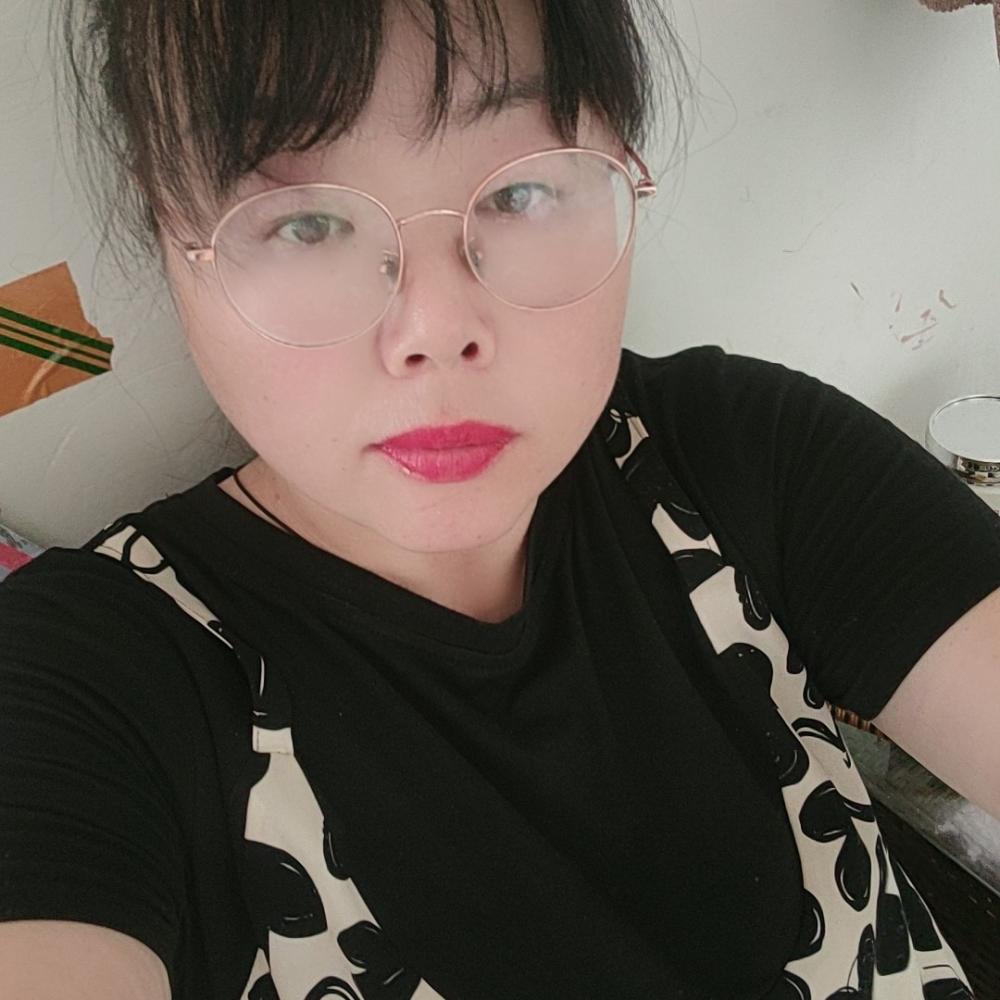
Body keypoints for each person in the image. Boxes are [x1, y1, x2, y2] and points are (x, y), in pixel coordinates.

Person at [1, 1, 998, 997]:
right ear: (166, 228)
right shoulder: (88, 682)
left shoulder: (742, 452)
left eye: (519, 192)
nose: (436, 326)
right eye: (305, 223)